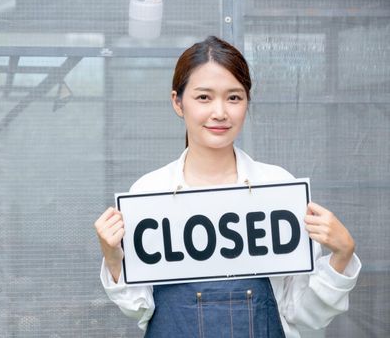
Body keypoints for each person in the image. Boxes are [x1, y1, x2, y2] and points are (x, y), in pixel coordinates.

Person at [94, 36, 361, 338]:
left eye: (234, 97)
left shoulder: (278, 189)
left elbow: (301, 314)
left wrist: (341, 256)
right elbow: (139, 309)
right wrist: (114, 258)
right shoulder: (148, 192)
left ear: (247, 101)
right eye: (204, 97)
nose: (220, 112)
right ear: (177, 102)